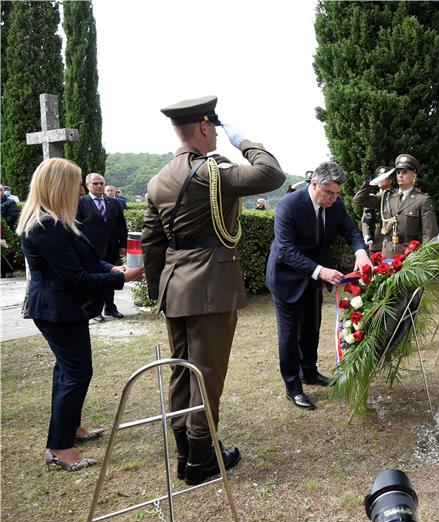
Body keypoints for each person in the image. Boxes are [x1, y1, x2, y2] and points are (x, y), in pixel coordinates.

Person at [141, 95, 285, 485]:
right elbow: (271, 174)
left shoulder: (158, 179)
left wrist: (161, 292)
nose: (219, 135)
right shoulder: (210, 173)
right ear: (205, 127)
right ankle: (202, 460)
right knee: (206, 373)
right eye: (216, 129)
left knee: (181, 371)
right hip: (209, 286)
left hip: (176, 288)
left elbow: (154, 244)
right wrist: (245, 141)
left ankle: (185, 452)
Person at [16, 158, 143, 471]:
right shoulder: (45, 225)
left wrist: (112, 267)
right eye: (74, 183)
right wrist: (121, 278)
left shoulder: (57, 220)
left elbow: (86, 261)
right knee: (76, 374)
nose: (79, 190)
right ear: (59, 186)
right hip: (57, 311)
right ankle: (60, 447)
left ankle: (70, 429)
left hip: (65, 310)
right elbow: (75, 277)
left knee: (67, 372)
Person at [266, 161, 370, 411]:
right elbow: (285, 250)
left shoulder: (336, 206)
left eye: (337, 194)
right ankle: (293, 387)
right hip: (286, 278)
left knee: (312, 329)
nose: (334, 199)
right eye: (329, 193)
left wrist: (360, 252)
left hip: (314, 280)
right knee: (289, 335)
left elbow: (352, 231)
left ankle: (309, 372)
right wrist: (320, 270)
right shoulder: (289, 206)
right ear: (314, 184)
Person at [354, 154, 438, 258]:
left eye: (405, 172)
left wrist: (423, 258)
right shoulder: (387, 197)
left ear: (414, 176)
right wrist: (373, 182)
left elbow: (429, 233)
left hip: (410, 254)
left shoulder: (422, 200)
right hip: (388, 252)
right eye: (398, 172)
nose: (400, 175)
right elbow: (359, 200)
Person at [77, 173, 128, 320]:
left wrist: (123, 245)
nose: (99, 186)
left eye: (101, 183)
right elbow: (77, 227)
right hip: (91, 248)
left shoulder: (114, 203)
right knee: (94, 279)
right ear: (88, 185)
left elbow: (121, 226)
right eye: (95, 184)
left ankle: (110, 308)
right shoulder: (81, 203)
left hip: (112, 247)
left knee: (111, 278)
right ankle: (95, 310)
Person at [353, 165, 394, 253]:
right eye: (379, 177)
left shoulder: (396, 195)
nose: (380, 180)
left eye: (383, 177)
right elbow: (365, 218)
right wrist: (366, 235)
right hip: (376, 241)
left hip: (393, 242)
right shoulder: (373, 198)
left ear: (390, 180)